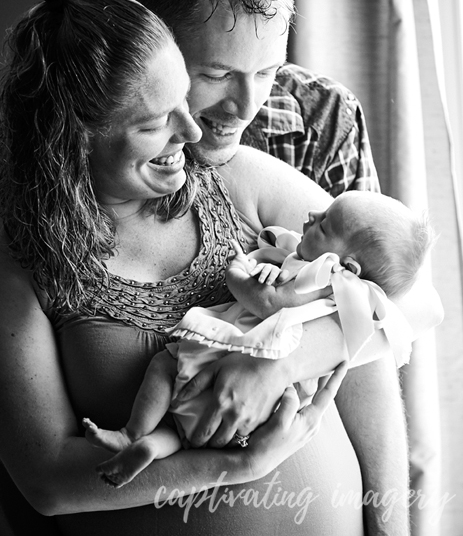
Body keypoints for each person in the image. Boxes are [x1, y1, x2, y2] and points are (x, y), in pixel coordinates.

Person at [0, 0, 376, 536]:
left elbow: (398, 297)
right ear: (72, 139)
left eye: (184, 98)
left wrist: (282, 365)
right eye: (154, 122)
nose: (193, 131)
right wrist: (240, 466)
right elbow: (47, 481)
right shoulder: (21, 261)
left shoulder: (239, 179)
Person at [128, 0, 443, 533]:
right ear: (152, 46)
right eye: (215, 73)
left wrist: (282, 362)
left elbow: (403, 302)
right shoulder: (97, 150)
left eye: (267, 70)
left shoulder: (321, 117)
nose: (245, 104)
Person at [83, 191, 432, 488]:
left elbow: (266, 302)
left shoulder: (322, 277)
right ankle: (152, 447)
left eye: (324, 223)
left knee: (164, 365)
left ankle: (133, 434)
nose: (313, 213)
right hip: (261, 407)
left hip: (231, 353)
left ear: (347, 267)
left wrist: (238, 271)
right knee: (185, 431)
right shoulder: (347, 298)